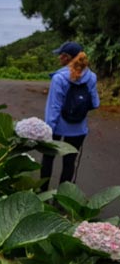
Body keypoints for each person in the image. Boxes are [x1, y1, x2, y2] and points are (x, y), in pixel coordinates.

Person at [40, 41, 100, 191]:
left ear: (67, 58)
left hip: (57, 128)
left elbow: (54, 108)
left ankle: (42, 194)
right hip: (79, 129)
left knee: (48, 159)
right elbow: (95, 103)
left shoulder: (59, 78)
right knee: (69, 162)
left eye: (61, 55)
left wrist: (48, 130)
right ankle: (63, 199)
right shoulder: (91, 77)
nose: (59, 57)